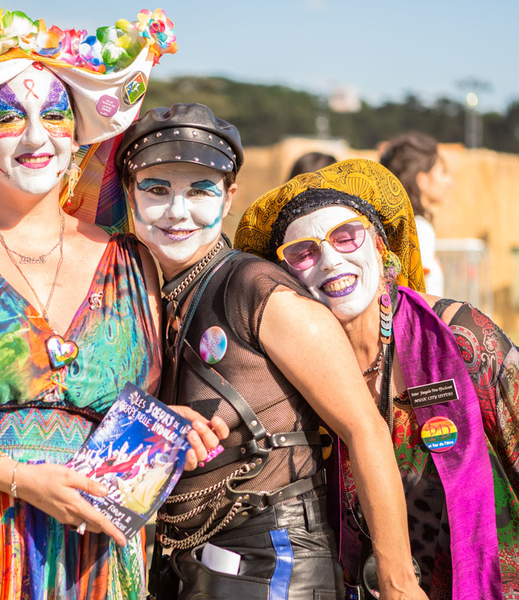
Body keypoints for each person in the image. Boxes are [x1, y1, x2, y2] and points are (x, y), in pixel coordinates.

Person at [0, 8, 227, 599]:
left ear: (78, 132)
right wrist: (17, 478)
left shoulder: (134, 260)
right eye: (10, 117)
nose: (37, 137)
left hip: (101, 558)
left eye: (54, 114)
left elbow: (142, 407)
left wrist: (171, 424)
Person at [116, 103, 428, 600]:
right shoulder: (147, 296)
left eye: (200, 190)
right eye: (157, 189)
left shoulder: (256, 287)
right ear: (129, 195)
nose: (178, 211)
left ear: (229, 196)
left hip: (276, 563)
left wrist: (396, 583)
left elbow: (364, 427)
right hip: (190, 567)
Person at [235, 158, 519, 599]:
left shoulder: (462, 337)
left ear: (381, 247)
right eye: (304, 252)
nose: (330, 260)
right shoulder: (283, 372)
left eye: (346, 237)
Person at [380, 132, 453, 296]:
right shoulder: (419, 229)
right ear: (422, 181)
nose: (449, 182)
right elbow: (418, 296)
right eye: (443, 172)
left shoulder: (396, 226)